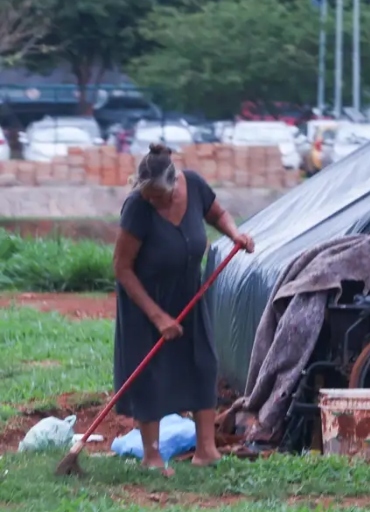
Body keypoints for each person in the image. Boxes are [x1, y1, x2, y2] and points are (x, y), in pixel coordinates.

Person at [112, 143, 255, 474]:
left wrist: (235, 235)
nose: (153, 202)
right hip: (146, 300)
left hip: (189, 293)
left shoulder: (194, 185)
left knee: (203, 363)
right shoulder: (137, 208)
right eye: (148, 196)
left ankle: (206, 450)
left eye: (158, 197)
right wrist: (158, 316)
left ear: (175, 183)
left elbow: (217, 213)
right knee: (151, 374)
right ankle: (152, 457)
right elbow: (121, 268)